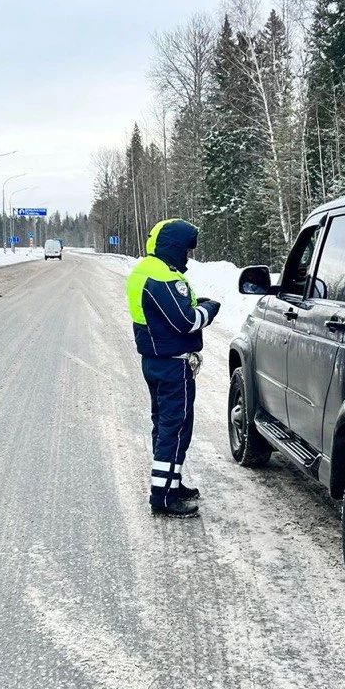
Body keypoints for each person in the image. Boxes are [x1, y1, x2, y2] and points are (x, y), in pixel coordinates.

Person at [126, 219, 221, 518]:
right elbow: (186, 321)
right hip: (173, 366)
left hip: (154, 361)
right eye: (186, 250)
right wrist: (211, 308)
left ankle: (170, 483)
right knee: (175, 429)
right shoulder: (164, 277)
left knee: (165, 426)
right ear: (175, 246)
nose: (187, 257)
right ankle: (164, 497)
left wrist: (194, 304)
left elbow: (168, 312)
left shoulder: (143, 270)